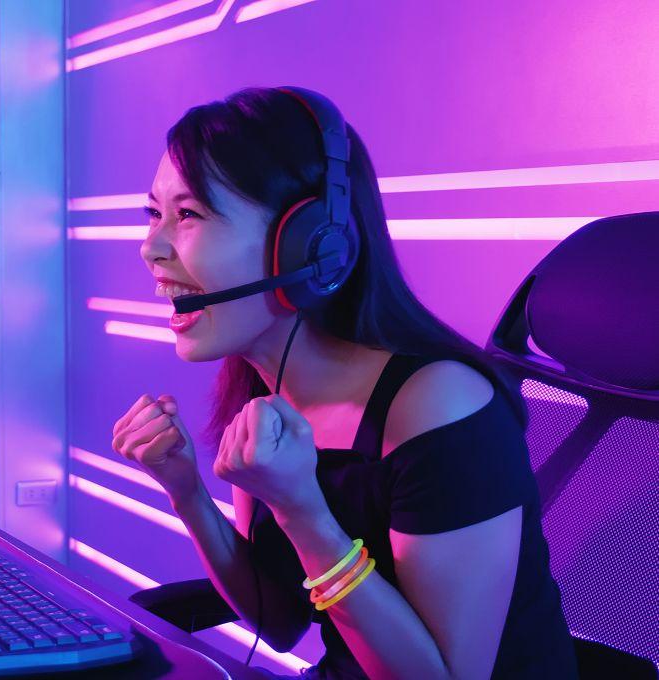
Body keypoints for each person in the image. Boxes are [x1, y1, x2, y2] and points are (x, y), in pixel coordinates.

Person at [111, 87, 577, 679]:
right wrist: (186, 491)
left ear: (310, 244)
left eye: (189, 214)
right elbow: (280, 623)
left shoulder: (439, 407)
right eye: (154, 213)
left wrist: (302, 509)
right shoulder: (265, 386)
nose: (151, 248)